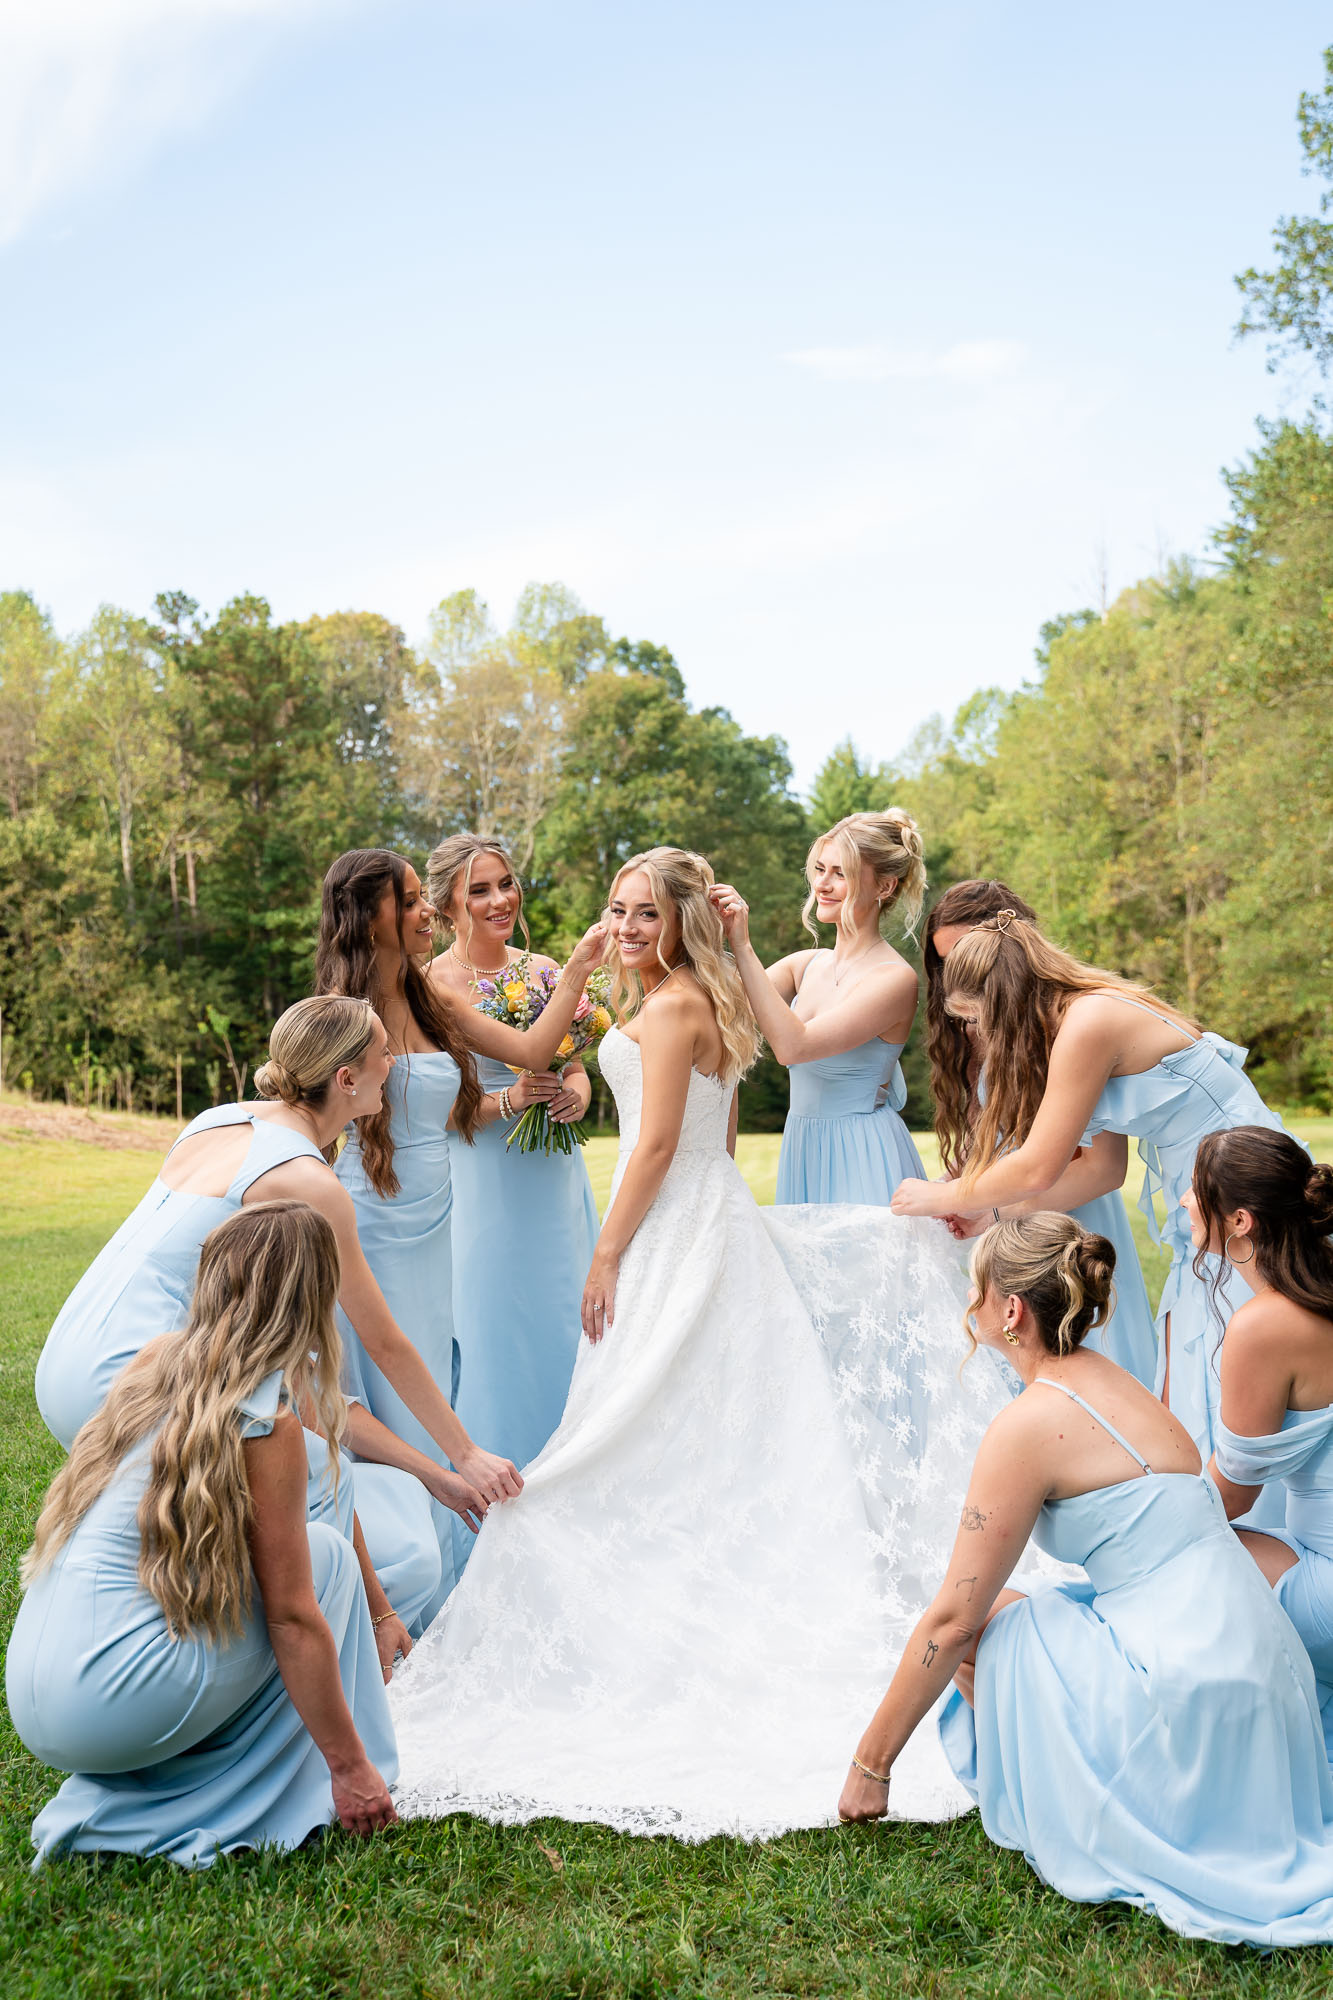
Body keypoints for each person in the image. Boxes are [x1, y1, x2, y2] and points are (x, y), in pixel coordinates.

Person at [386, 848, 1028, 1839]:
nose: (629, 926)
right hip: (698, 1217)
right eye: (619, 910)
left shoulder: (680, 1002)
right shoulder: (684, 996)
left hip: (668, 1222)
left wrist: (608, 1252)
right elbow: (713, 1135)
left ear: (680, 921)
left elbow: (653, 1147)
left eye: (646, 913)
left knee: (640, 1408)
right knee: (667, 1410)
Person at [838, 1213, 1333, 1949]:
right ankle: (1072, 1768)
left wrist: (869, 1766)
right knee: (1039, 1611)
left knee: (981, 1620)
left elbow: (951, 1619)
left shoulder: (1030, 1421)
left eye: (974, 1293)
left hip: (1187, 1694)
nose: (968, 1310)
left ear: (1009, 1310)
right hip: (1268, 1683)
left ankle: (1080, 1789)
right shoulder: (1118, 1383)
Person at [32, 995, 504, 1650]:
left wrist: (433, 1473)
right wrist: (466, 1454)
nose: (393, 1064)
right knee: (399, 1553)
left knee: (340, 1485)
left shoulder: (215, 1121)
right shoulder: (308, 1185)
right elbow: (384, 1340)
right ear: (346, 1080)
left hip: (70, 1357)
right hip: (135, 1386)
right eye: (382, 1055)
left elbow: (295, 1383)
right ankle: (300, 1678)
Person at [7, 1202, 399, 1867]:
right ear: (312, 1301)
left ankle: (189, 1771)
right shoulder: (264, 1420)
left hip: (34, 1693)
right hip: (110, 1705)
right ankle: (315, 1779)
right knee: (323, 1565)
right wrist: (351, 1768)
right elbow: (293, 1619)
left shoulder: (154, 1362)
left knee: (287, 1564)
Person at [890, 911, 1290, 1483]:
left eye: (977, 1018)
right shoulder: (1080, 1013)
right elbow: (1076, 1169)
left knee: (1229, 1349)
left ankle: (1238, 1508)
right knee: (1198, 1350)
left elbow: (1036, 1167)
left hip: (1242, 1187)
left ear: (1003, 999)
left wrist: (938, 1195)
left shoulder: (1088, 1025)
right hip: (1205, 1188)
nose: (976, 1034)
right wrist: (986, 1211)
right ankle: (1204, 1496)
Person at [314, 849, 606, 1610]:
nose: (425, 913)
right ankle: (407, 1586)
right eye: (411, 901)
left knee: (443, 1380)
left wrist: (570, 973)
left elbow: (530, 1053)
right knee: (394, 1391)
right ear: (369, 916)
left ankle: (458, 1567)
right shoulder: (341, 1012)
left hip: (441, 1216)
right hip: (373, 1218)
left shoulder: (428, 998)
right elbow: (307, 1121)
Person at [920, 880, 1156, 1386]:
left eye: (966, 955)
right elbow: (994, 1131)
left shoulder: (1069, 1027)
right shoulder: (977, 1026)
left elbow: (1102, 1168)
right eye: (944, 964)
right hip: (1000, 1208)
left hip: (1063, 1205)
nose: (954, 978)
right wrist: (967, 1179)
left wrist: (987, 1205)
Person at [426, 832, 598, 1477]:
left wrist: (575, 1093)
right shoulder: (429, 988)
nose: (500, 900)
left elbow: (573, 1063)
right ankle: (499, 1463)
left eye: (505, 884)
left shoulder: (543, 970)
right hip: (482, 1177)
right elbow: (431, 1110)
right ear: (447, 905)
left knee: (565, 1312)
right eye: (479, 890)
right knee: (494, 1321)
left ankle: (575, 1462)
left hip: (551, 1176)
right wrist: (510, 1102)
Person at [1195, 1128, 1333, 1757]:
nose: (1182, 1207)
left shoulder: (1267, 1325)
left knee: (1178, 1559)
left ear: (1240, 1221)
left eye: (1193, 1195)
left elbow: (1230, 1500)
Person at [711, 810, 925, 1203]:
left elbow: (793, 1046)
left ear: (884, 886)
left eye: (840, 874)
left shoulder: (894, 979)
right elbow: (715, 1005)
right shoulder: (805, 965)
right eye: (820, 869)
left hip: (861, 1153)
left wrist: (742, 944)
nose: (822, 885)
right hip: (804, 1145)